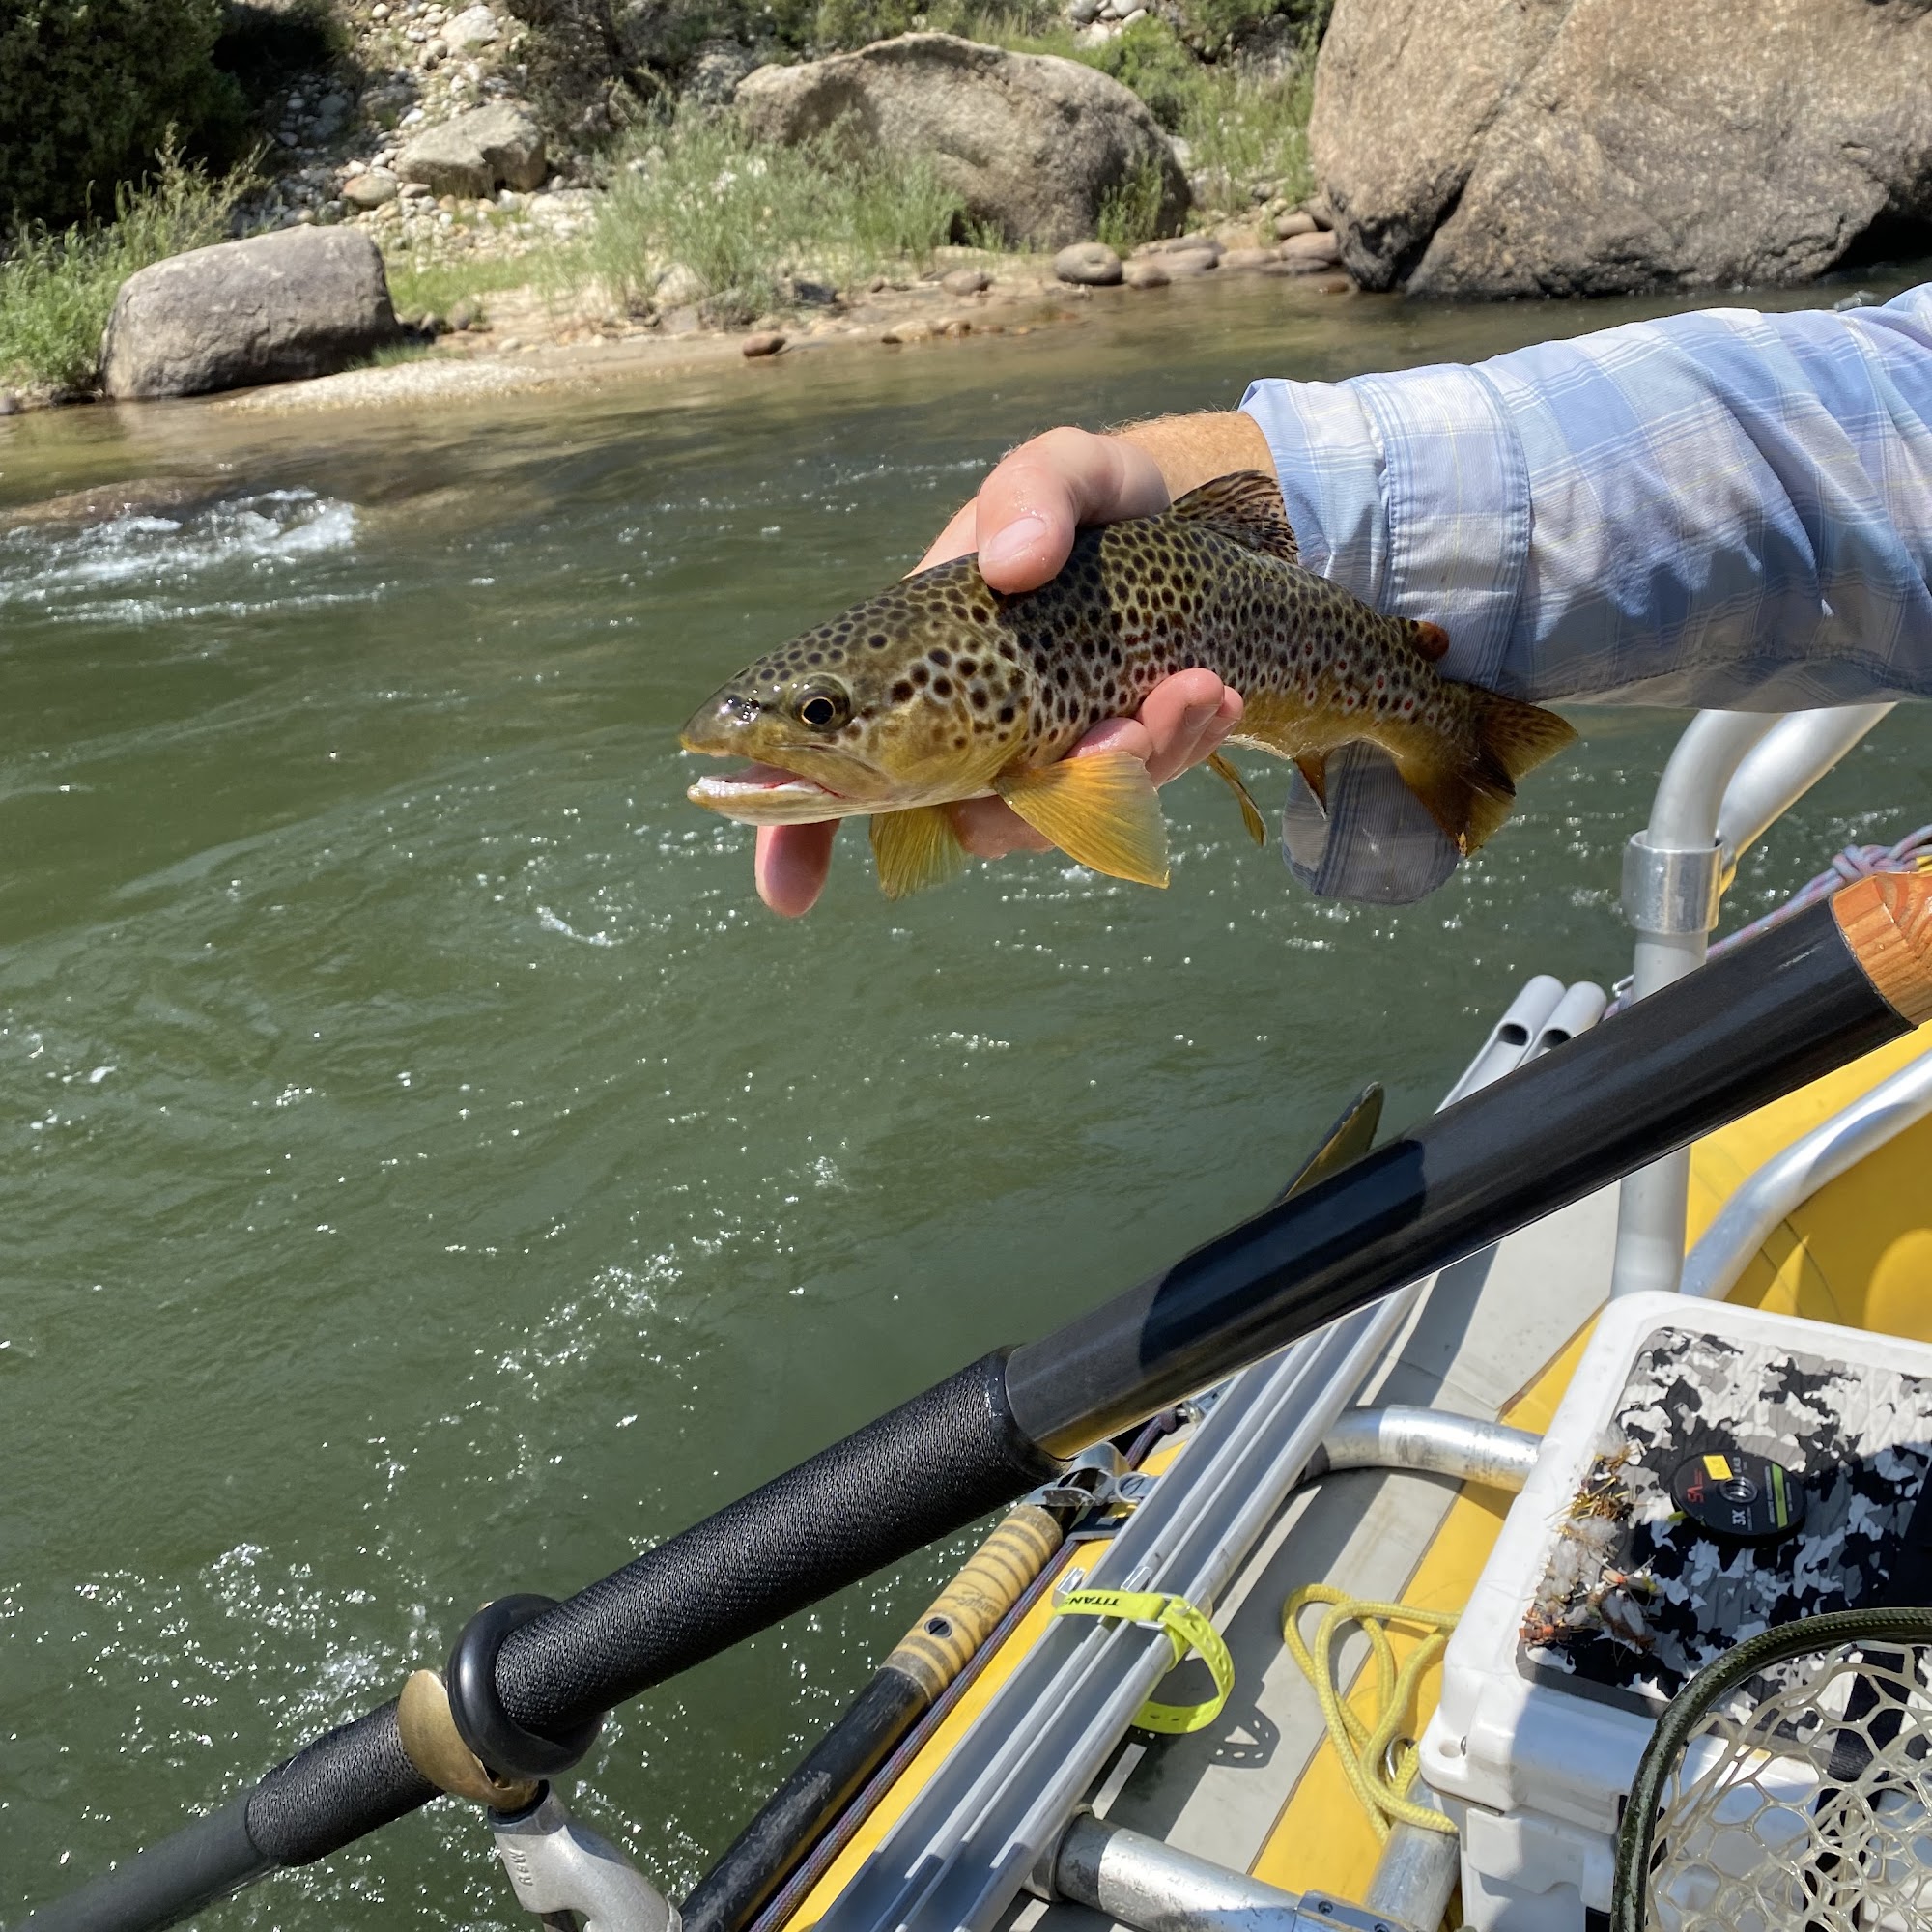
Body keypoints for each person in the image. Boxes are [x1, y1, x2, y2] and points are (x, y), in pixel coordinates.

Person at [753, 285, 1932, 917]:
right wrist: (1283, 471)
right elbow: (1877, 411)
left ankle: (1442, 733)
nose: (794, 735)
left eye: (819, 716)